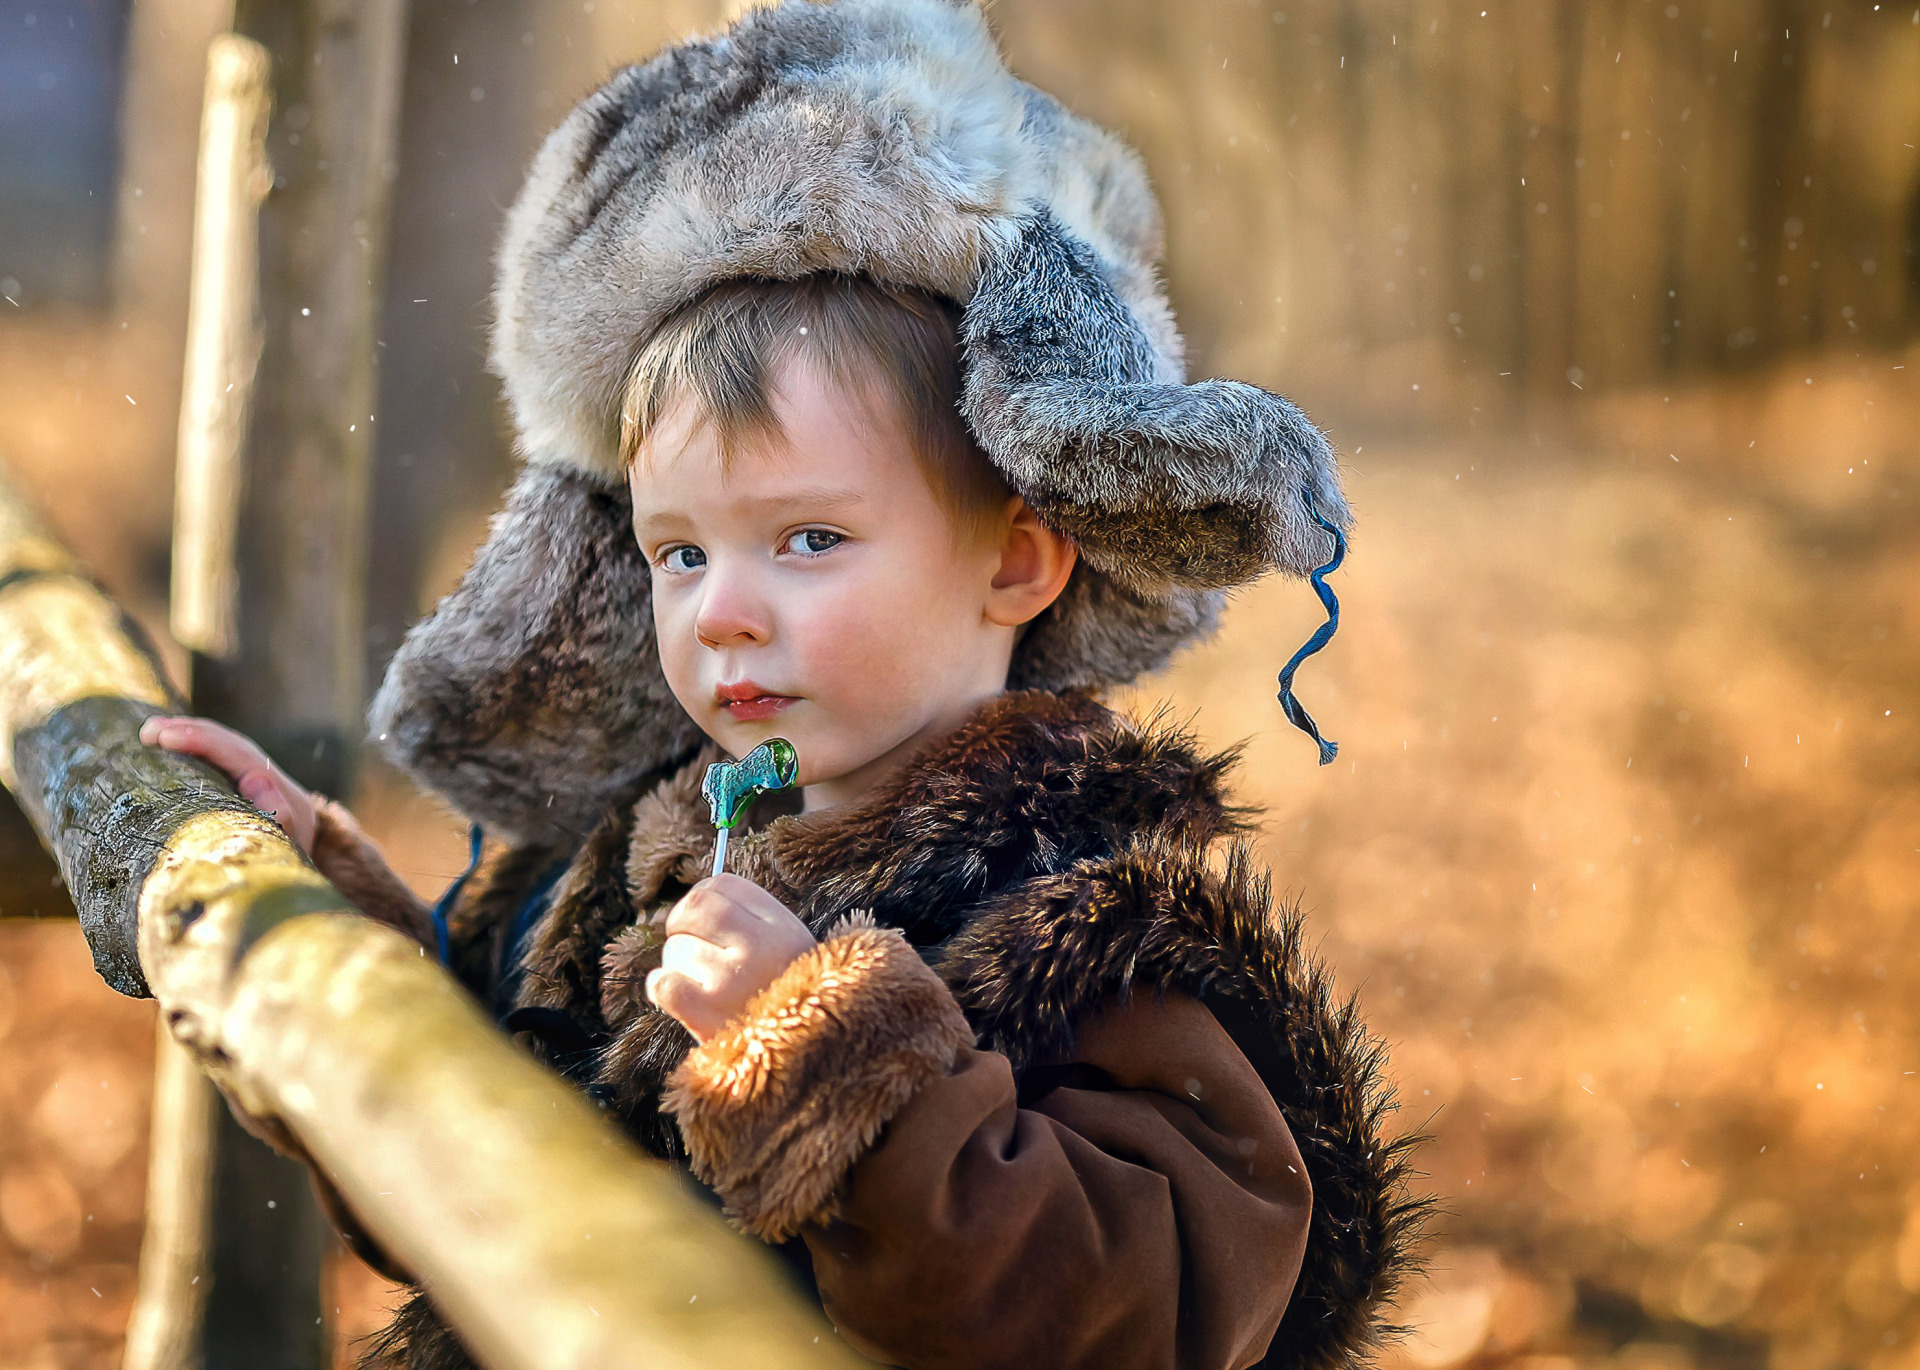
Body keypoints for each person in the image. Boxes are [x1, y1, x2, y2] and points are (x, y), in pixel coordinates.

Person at [147, 2, 1421, 1366]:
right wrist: (345, 938)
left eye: (808, 539)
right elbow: (470, 1176)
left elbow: (1124, 1311)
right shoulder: (618, 871)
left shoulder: (1092, 925)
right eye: (678, 550)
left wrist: (827, 1051)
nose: (724, 612)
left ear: (1020, 563)